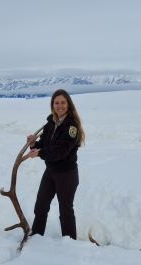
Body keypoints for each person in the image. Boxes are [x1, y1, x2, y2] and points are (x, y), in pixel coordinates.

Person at [26, 89, 85, 240]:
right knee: (41, 206)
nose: (60, 106)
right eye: (56, 103)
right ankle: (36, 237)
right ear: (53, 105)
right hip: (51, 171)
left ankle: (70, 242)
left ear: (68, 104)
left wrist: (40, 153)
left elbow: (61, 150)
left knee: (65, 210)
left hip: (66, 174)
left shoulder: (72, 126)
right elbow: (45, 145)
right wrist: (34, 145)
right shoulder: (51, 122)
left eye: (63, 102)